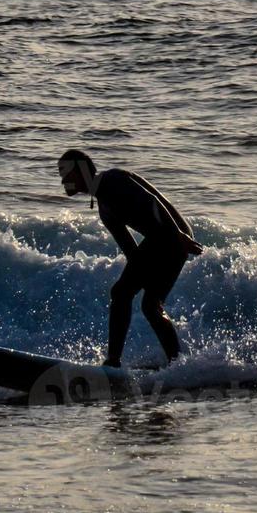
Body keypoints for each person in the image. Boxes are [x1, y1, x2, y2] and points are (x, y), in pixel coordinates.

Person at [57, 150, 204, 367]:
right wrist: (139, 275)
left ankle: (164, 362)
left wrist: (178, 235)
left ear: (81, 172)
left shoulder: (113, 180)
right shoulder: (104, 208)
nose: (62, 180)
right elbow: (131, 252)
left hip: (173, 236)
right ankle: (174, 363)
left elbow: (152, 202)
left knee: (142, 302)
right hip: (160, 240)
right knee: (135, 299)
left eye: (65, 173)